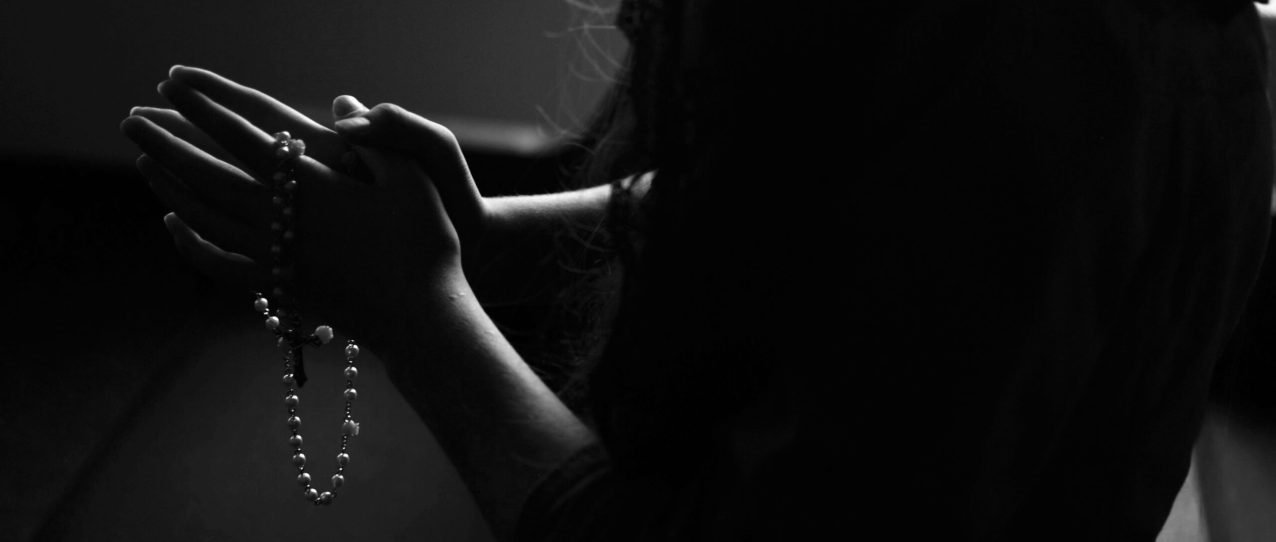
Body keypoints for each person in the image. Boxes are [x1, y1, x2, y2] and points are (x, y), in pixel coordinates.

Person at [121, 0, 1273, 539]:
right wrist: (485, 234)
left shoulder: (1045, 70)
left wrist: (420, 316)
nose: (627, 13)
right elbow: (842, 202)